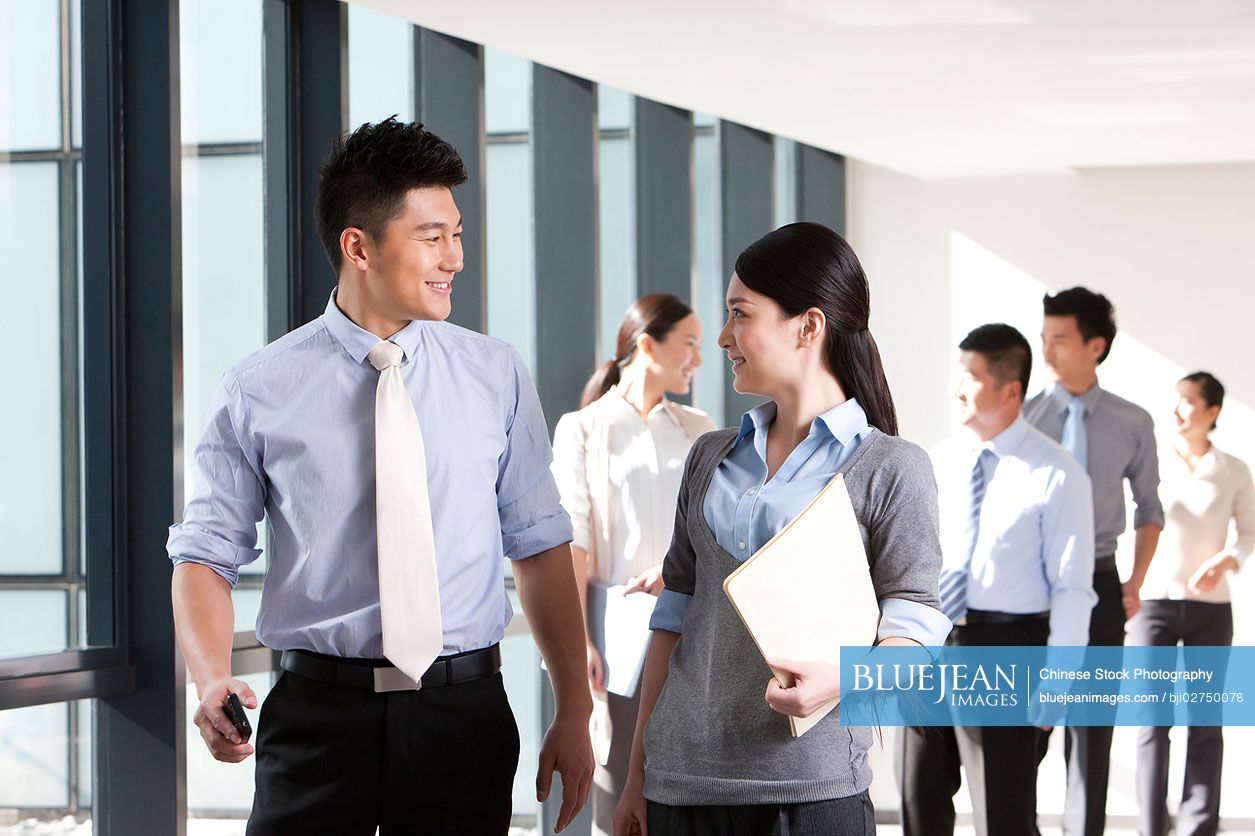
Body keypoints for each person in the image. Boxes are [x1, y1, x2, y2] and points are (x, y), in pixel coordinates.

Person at [167, 118, 593, 835]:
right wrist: (210, 676)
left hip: (463, 716)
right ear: (358, 246)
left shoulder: (495, 373)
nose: (455, 257)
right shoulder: (257, 387)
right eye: (432, 237)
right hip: (315, 722)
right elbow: (204, 554)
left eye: (457, 233)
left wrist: (575, 711)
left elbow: (539, 543)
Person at [612, 222, 952, 836]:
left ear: (808, 326)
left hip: (809, 794)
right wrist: (636, 777)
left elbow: (918, 629)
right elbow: (673, 622)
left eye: (739, 314)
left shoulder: (891, 469)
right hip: (678, 786)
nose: (722, 337)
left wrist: (847, 677)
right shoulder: (709, 457)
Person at [897, 323, 1096, 836]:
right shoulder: (936, 460)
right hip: (930, 642)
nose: (955, 387)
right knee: (918, 800)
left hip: (1007, 649)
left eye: (970, 376)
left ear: (1010, 390)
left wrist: (1058, 681)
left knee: (1002, 814)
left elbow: (1073, 588)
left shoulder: (1057, 472)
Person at [551, 293, 716, 836]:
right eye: (688, 343)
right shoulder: (583, 429)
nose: (699, 356)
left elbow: (714, 532)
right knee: (618, 781)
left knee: (690, 784)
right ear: (648, 345)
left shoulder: (700, 429)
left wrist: (676, 571)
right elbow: (571, 543)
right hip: (614, 633)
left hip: (692, 625)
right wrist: (580, 644)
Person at [1023, 286, 1164, 836]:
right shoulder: (1025, 417)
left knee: (1092, 732)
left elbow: (1150, 508)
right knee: (1025, 730)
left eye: (1059, 339)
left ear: (1095, 345)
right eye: (1044, 339)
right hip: (1031, 588)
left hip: (1102, 585)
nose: (1048, 351)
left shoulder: (1133, 422)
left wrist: (1135, 582)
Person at [1130, 371, 1253, 836]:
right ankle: (1151, 827)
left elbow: (1249, 532)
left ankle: (1199, 825)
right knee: (1152, 720)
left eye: (1187, 402)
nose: (1177, 409)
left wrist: (1226, 561)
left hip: (1210, 609)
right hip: (1153, 606)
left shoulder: (1234, 469)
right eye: (1175, 400)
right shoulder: (1150, 460)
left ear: (1212, 412)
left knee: (1205, 719)